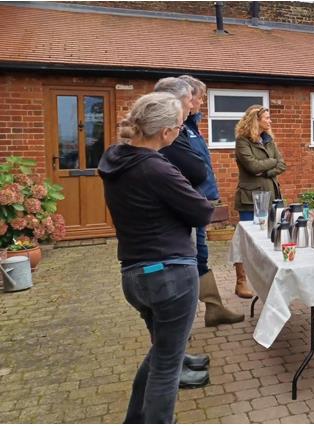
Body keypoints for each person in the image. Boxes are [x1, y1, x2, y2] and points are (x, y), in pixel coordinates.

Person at [99, 92, 214, 423]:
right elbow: (201, 211)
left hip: (134, 275)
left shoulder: (115, 158)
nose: (181, 130)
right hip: (170, 275)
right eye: (179, 125)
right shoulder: (155, 168)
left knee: (161, 354)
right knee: (167, 366)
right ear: (165, 132)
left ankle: (134, 419)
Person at [152, 77, 212, 389]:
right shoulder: (165, 141)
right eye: (190, 100)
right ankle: (172, 366)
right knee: (172, 303)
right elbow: (198, 168)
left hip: (177, 227)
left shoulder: (181, 131)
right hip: (165, 242)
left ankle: (178, 355)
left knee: (178, 301)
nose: (194, 105)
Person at [177, 75, 244, 327]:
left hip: (199, 201)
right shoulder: (177, 129)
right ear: (187, 98)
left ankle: (213, 309)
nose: (203, 102)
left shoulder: (191, 126)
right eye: (201, 97)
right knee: (191, 258)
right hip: (189, 204)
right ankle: (181, 322)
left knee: (201, 256)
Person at [233, 105, 287, 298]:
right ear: (256, 120)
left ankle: (267, 279)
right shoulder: (242, 141)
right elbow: (251, 166)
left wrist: (265, 169)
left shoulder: (269, 140)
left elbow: (282, 164)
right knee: (246, 241)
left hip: (272, 195)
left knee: (270, 238)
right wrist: (271, 163)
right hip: (250, 199)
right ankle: (241, 282)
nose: (270, 121)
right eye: (266, 117)